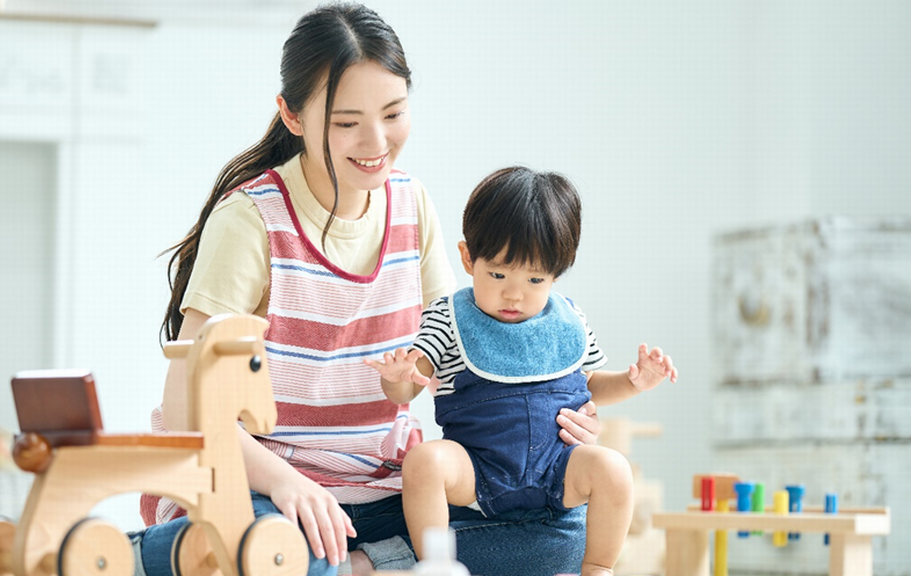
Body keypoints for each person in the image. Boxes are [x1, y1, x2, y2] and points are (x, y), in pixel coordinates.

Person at [133, 5, 603, 576]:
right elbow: (185, 406)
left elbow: (463, 354)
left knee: (560, 536)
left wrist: (556, 419)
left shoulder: (411, 205)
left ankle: (365, 565)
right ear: (292, 115)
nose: (376, 141)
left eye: (394, 113)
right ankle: (150, 554)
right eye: (346, 122)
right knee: (283, 552)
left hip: (383, 488)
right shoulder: (251, 221)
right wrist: (285, 483)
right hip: (261, 481)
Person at [365, 166, 679, 576]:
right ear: (468, 258)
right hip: (477, 467)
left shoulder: (569, 319)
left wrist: (634, 382)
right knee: (424, 461)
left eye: (534, 279)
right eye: (497, 274)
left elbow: (591, 386)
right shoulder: (448, 317)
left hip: (557, 468)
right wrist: (396, 377)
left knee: (614, 469)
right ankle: (437, 565)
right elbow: (409, 386)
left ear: (555, 274)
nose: (514, 294)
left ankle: (598, 567)